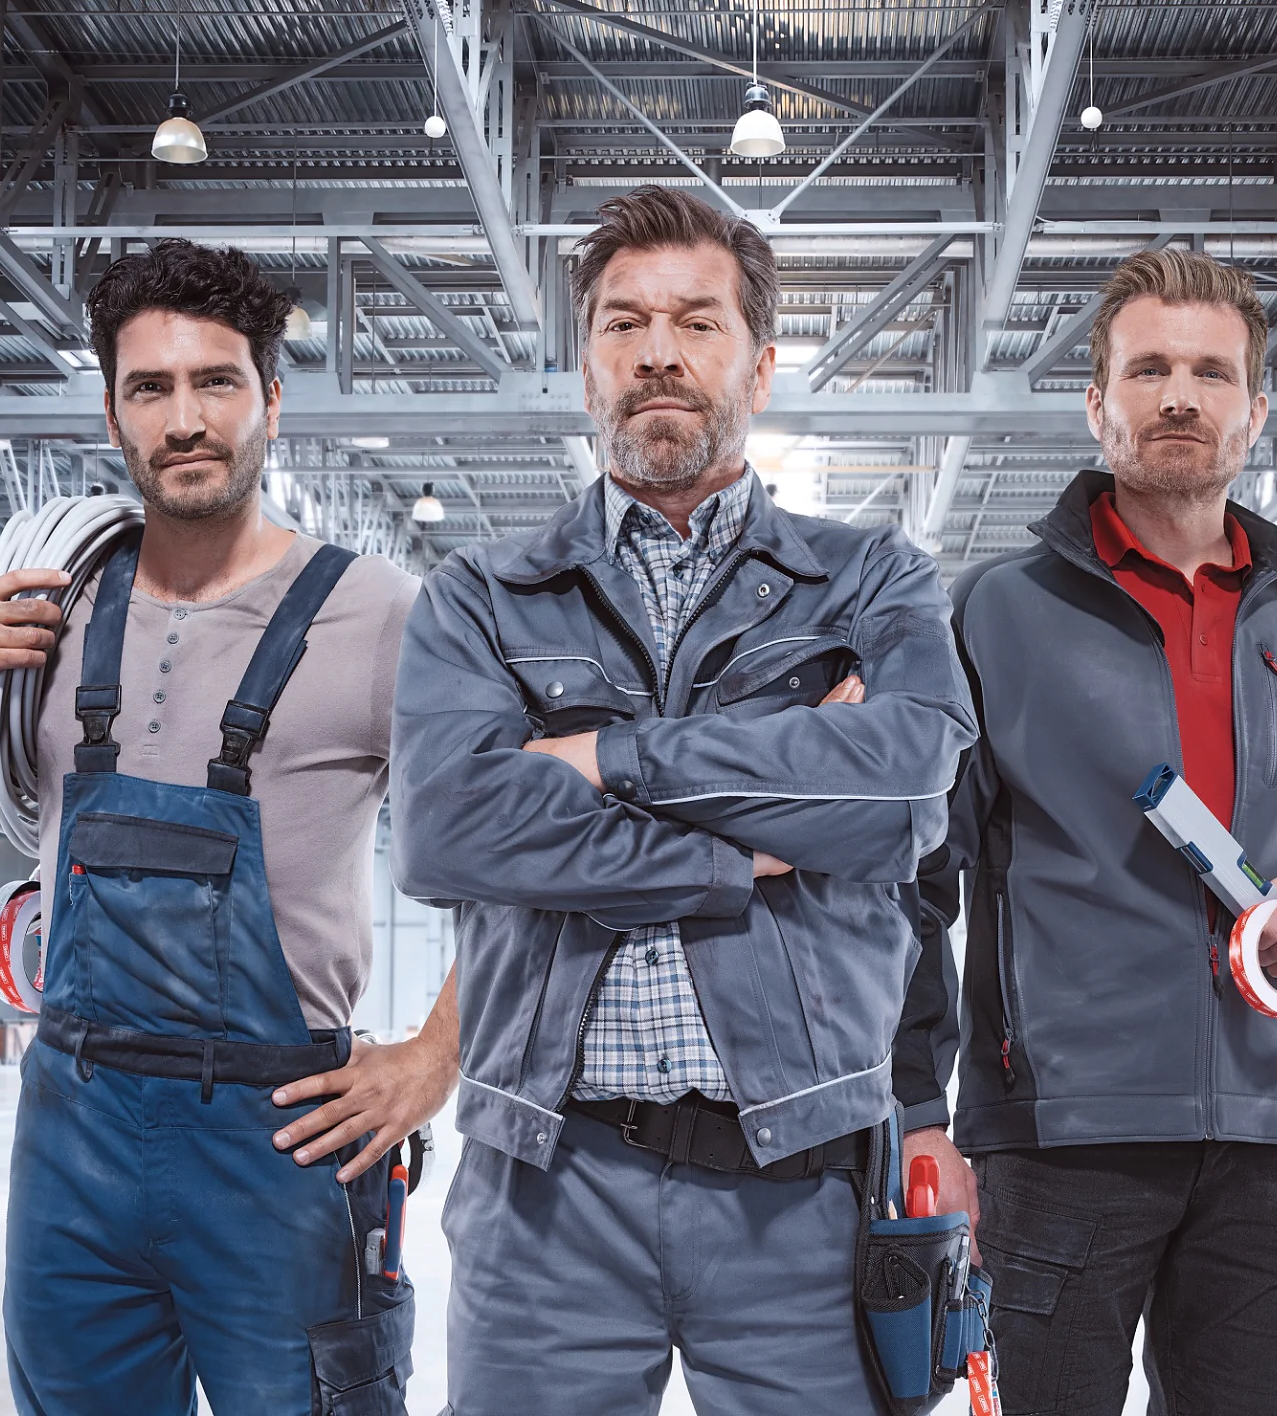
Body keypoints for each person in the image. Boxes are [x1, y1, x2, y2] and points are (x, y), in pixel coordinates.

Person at [390, 185, 977, 1414]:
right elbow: (447, 828)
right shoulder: (480, 597)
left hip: (802, 1187)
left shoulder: (869, 578)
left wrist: (612, 760)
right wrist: (738, 846)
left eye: (697, 323)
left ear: (759, 368)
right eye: (622, 324)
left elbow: (906, 789)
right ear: (584, 367)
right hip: (544, 1186)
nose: (658, 349)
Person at [0, 239, 455, 1416]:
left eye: (216, 382)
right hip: (73, 1132)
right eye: (151, 388)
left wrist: (431, 1059)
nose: (185, 417)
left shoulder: (383, 617)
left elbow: (517, 861)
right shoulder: (48, 606)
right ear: (114, 412)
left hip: (280, 1143)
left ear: (270, 401)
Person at [895, 248, 1277, 1415]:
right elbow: (914, 881)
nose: (1179, 397)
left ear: (1256, 412)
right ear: (1099, 404)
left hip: (1267, 1138)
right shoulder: (998, 613)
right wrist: (919, 1108)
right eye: (1147, 370)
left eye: (1210, 372)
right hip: (1056, 1143)